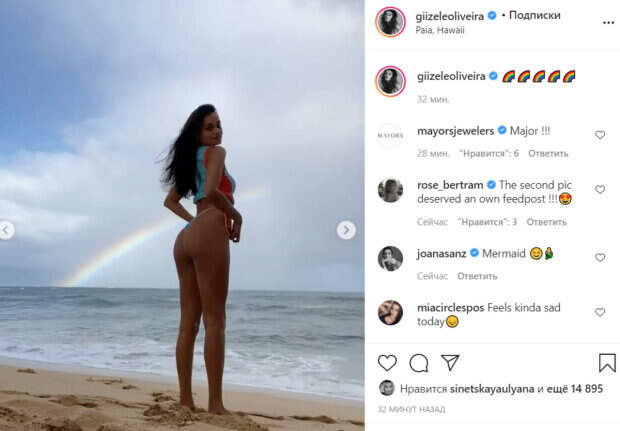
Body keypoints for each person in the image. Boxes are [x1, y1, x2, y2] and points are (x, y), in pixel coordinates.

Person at [161, 104, 242, 414]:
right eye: (209, 127)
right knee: (215, 321)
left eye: (219, 125)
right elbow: (211, 190)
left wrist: (192, 222)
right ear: (198, 132)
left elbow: (170, 201)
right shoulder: (217, 153)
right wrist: (236, 215)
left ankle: (185, 399)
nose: (217, 131)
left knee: (188, 325)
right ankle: (215, 404)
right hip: (209, 228)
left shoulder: (189, 161)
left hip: (186, 237)